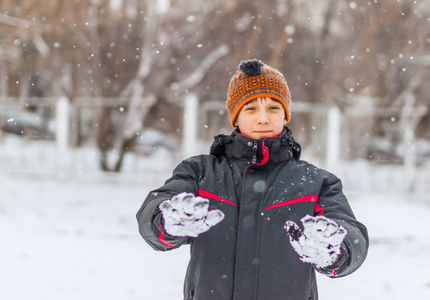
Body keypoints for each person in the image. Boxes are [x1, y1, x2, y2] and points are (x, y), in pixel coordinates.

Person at [136, 59, 369, 300]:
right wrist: (168, 219)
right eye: (251, 108)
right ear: (235, 117)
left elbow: (354, 238)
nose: (263, 118)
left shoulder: (316, 183)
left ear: (286, 115)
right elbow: (153, 216)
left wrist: (336, 248)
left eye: (273, 108)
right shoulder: (200, 172)